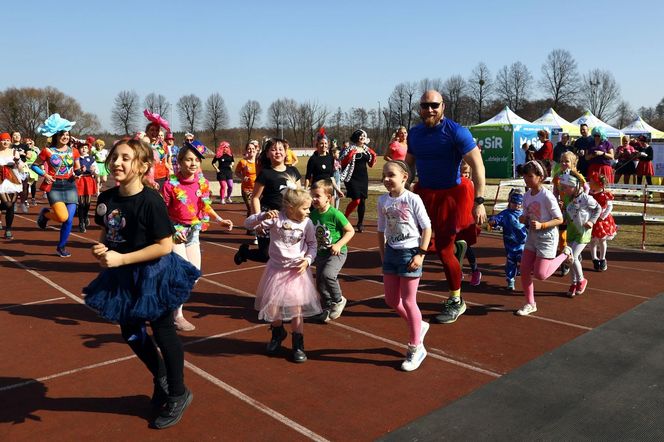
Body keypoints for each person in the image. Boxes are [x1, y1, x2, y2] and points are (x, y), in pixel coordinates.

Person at [82, 138, 200, 429]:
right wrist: (101, 249)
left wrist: (121, 260)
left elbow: (164, 245)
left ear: (144, 165)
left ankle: (177, 391)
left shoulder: (151, 201)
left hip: (154, 274)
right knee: (131, 332)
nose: (117, 163)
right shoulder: (107, 198)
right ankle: (160, 375)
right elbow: (108, 234)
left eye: (126, 158)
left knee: (163, 332)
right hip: (123, 275)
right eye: (115, 157)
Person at [405, 90, 487, 324]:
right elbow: (408, 165)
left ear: (443, 106)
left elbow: (478, 167)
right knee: (414, 243)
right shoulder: (415, 133)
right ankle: (408, 291)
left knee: (443, 250)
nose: (429, 109)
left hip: (451, 196)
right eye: (424, 105)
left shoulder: (457, 132)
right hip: (424, 194)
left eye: (434, 105)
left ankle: (456, 300)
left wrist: (479, 202)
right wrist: (403, 181)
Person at [244, 186, 320, 362]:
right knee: (272, 307)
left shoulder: (306, 223)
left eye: (309, 208)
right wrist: (262, 216)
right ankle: (277, 333)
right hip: (276, 270)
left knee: (296, 308)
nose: (309, 211)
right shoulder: (276, 218)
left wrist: (308, 260)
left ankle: (298, 344)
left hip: (296, 272)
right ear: (290, 207)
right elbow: (248, 224)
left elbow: (312, 245)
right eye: (305, 208)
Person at [162, 142, 233, 331]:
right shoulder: (170, 184)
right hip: (175, 233)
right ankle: (177, 315)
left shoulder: (202, 183)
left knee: (193, 275)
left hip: (193, 233)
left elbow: (205, 205)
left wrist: (220, 219)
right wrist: (172, 230)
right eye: (188, 159)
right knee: (183, 273)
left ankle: (168, 299)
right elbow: (162, 212)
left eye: (196, 160)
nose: (193, 164)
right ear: (180, 161)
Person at [377, 160, 432, 371]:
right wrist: (383, 255)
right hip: (391, 253)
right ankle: (419, 325)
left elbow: (427, 228)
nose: (386, 179)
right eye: (384, 175)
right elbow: (381, 231)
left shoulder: (413, 199)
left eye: (391, 175)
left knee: (409, 301)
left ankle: (416, 347)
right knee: (392, 300)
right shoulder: (383, 201)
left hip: (410, 253)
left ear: (404, 177)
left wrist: (421, 254)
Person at [516, 160, 571, 316]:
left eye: (530, 176)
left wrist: (542, 225)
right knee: (524, 270)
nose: (526, 179)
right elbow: (526, 215)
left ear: (540, 177)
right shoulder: (526, 196)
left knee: (541, 275)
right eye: (525, 176)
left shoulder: (547, 196)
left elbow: (559, 219)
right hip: (532, 236)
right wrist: (523, 219)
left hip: (547, 236)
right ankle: (530, 303)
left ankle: (565, 254)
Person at [234, 138, 302, 264]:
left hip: (288, 217)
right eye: (273, 149)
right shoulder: (265, 174)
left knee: (286, 252)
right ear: (267, 154)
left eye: (280, 149)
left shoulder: (293, 171)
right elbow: (255, 197)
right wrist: (259, 219)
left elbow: (300, 195)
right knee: (266, 254)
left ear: (286, 152)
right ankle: (244, 252)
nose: (278, 152)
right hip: (269, 215)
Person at [32, 114, 81, 257]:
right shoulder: (47, 151)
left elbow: (77, 168)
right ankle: (45, 214)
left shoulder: (74, 151)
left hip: (71, 185)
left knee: (70, 220)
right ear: (56, 136)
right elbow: (34, 165)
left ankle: (61, 247)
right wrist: (45, 175)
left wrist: (78, 173)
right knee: (62, 217)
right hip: (54, 186)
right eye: (62, 134)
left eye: (67, 134)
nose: (65, 137)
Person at [309, 178, 355, 323]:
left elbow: (350, 231)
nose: (314, 199)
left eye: (317, 196)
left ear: (328, 198)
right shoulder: (312, 214)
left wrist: (338, 245)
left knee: (328, 275)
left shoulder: (335, 214)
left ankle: (339, 300)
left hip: (337, 253)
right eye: (312, 196)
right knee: (320, 285)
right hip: (321, 253)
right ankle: (328, 307)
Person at [558, 170, 601, 297]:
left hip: (583, 232)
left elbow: (598, 208)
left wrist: (592, 221)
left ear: (574, 186)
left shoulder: (586, 198)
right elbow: (566, 212)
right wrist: (562, 212)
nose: (563, 190)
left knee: (573, 257)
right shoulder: (567, 198)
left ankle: (581, 280)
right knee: (569, 258)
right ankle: (574, 283)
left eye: (565, 188)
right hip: (571, 231)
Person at [488, 188, 528, 291]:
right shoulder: (505, 214)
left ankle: (523, 274)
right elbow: (495, 219)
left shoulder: (525, 213)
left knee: (525, 262)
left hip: (523, 244)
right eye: (514, 203)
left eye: (519, 204)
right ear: (510, 202)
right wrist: (492, 221)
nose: (517, 206)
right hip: (510, 245)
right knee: (511, 262)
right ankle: (510, 281)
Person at [340, 129, 377, 232]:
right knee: (356, 200)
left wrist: (373, 156)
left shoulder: (366, 149)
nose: (362, 138)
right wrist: (350, 154)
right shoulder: (350, 148)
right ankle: (344, 218)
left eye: (364, 136)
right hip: (351, 177)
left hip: (363, 177)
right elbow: (342, 163)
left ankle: (360, 223)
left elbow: (370, 164)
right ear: (356, 137)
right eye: (360, 136)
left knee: (362, 201)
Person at [456, 161, 482, 286]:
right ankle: (458, 270)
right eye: (462, 172)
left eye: (466, 173)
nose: (464, 175)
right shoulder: (454, 184)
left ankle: (475, 271)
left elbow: (473, 202)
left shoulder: (470, 184)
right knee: (454, 247)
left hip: (466, 221)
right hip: (455, 220)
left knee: (466, 247)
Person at [588, 173, 617, 272]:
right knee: (592, 240)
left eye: (592, 182)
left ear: (598, 184)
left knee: (602, 240)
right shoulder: (589, 193)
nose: (589, 183)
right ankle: (594, 259)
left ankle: (602, 258)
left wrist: (603, 216)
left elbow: (609, 206)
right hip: (592, 219)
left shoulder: (605, 194)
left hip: (602, 220)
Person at [0, 132, 24, 240]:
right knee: (8, 204)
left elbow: (21, 168)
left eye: (7, 140)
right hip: (1, 180)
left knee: (11, 207)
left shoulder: (14, 152)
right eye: (3, 140)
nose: (5, 142)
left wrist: (18, 161)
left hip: (13, 179)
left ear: (10, 141)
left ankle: (8, 229)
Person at [144, 109, 172, 189]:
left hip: (162, 177)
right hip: (147, 177)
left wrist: (171, 171)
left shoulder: (164, 145)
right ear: (146, 132)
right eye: (152, 130)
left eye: (156, 130)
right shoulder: (143, 145)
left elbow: (165, 162)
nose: (154, 132)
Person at [75, 142, 98, 232]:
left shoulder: (91, 159)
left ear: (88, 149)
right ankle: (81, 222)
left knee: (87, 203)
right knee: (81, 203)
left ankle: (85, 216)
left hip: (88, 180)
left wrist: (94, 171)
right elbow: (74, 171)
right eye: (82, 148)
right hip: (80, 180)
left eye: (85, 148)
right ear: (78, 149)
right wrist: (80, 171)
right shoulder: (76, 159)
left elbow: (96, 170)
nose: (84, 149)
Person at [234, 141, 258, 222]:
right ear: (246, 150)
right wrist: (242, 177)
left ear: (256, 150)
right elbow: (236, 172)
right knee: (251, 208)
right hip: (247, 189)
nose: (251, 150)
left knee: (257, 208)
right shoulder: (243, 162)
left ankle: (255, 226)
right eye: (249, 149)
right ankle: (250, 227)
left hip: (258, 189)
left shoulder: (259, 162)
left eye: (253, 149)